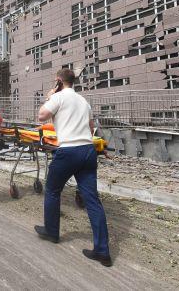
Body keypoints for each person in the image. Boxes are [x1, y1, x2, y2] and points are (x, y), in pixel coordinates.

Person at [34, 68, 111, 267]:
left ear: (59, 81)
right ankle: (102, 251)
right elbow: (91, 126)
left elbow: (42, 116)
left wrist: (50, 97)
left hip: (69, 150)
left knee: (52, 190)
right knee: (92, 199)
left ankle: (52, 232)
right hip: (87, 151)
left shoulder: (59, 97)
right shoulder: (83, 101)